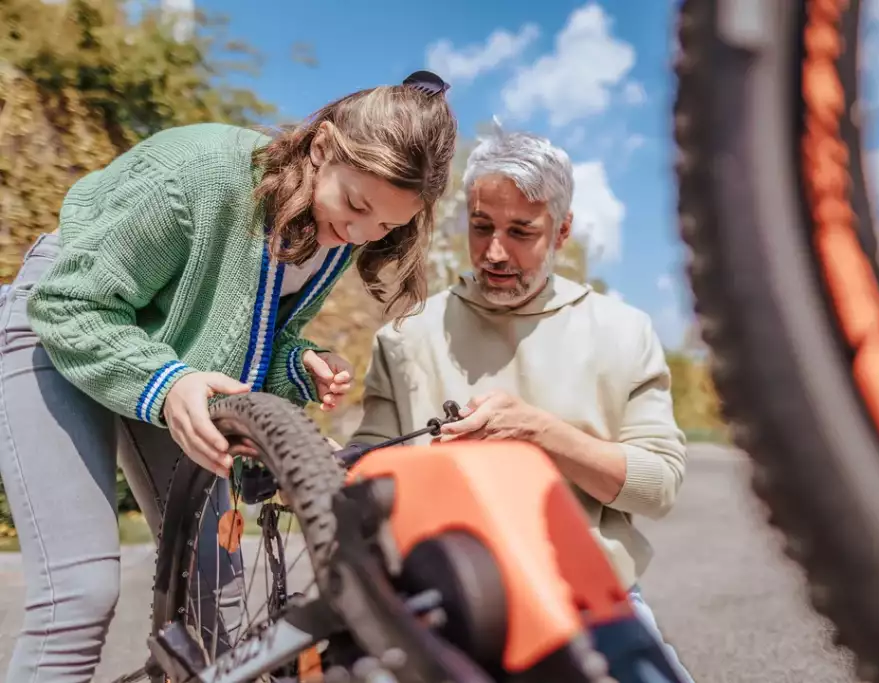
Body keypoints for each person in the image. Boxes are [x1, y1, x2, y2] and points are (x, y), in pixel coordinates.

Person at [0, 71, 457, 683]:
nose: (358, 235)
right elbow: (70, 303)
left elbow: (243, 332)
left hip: (170, 355)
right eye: (355, 206)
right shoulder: (197, 176)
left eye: (385, 228)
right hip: (63, 320)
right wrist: (165, 384)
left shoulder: (334, 235)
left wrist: (297, 363)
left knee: (218, 595)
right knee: (78, 593)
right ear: (320, 147)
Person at [348, 127, 694, 681]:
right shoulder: (407, 336)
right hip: (444, 606)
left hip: (590, 603)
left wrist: (538, 433)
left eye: (521, 232)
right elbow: (363, 473)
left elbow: (659, 487)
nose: (494, 252)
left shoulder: (623, 333)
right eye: (481, 227)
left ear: (562, 232)